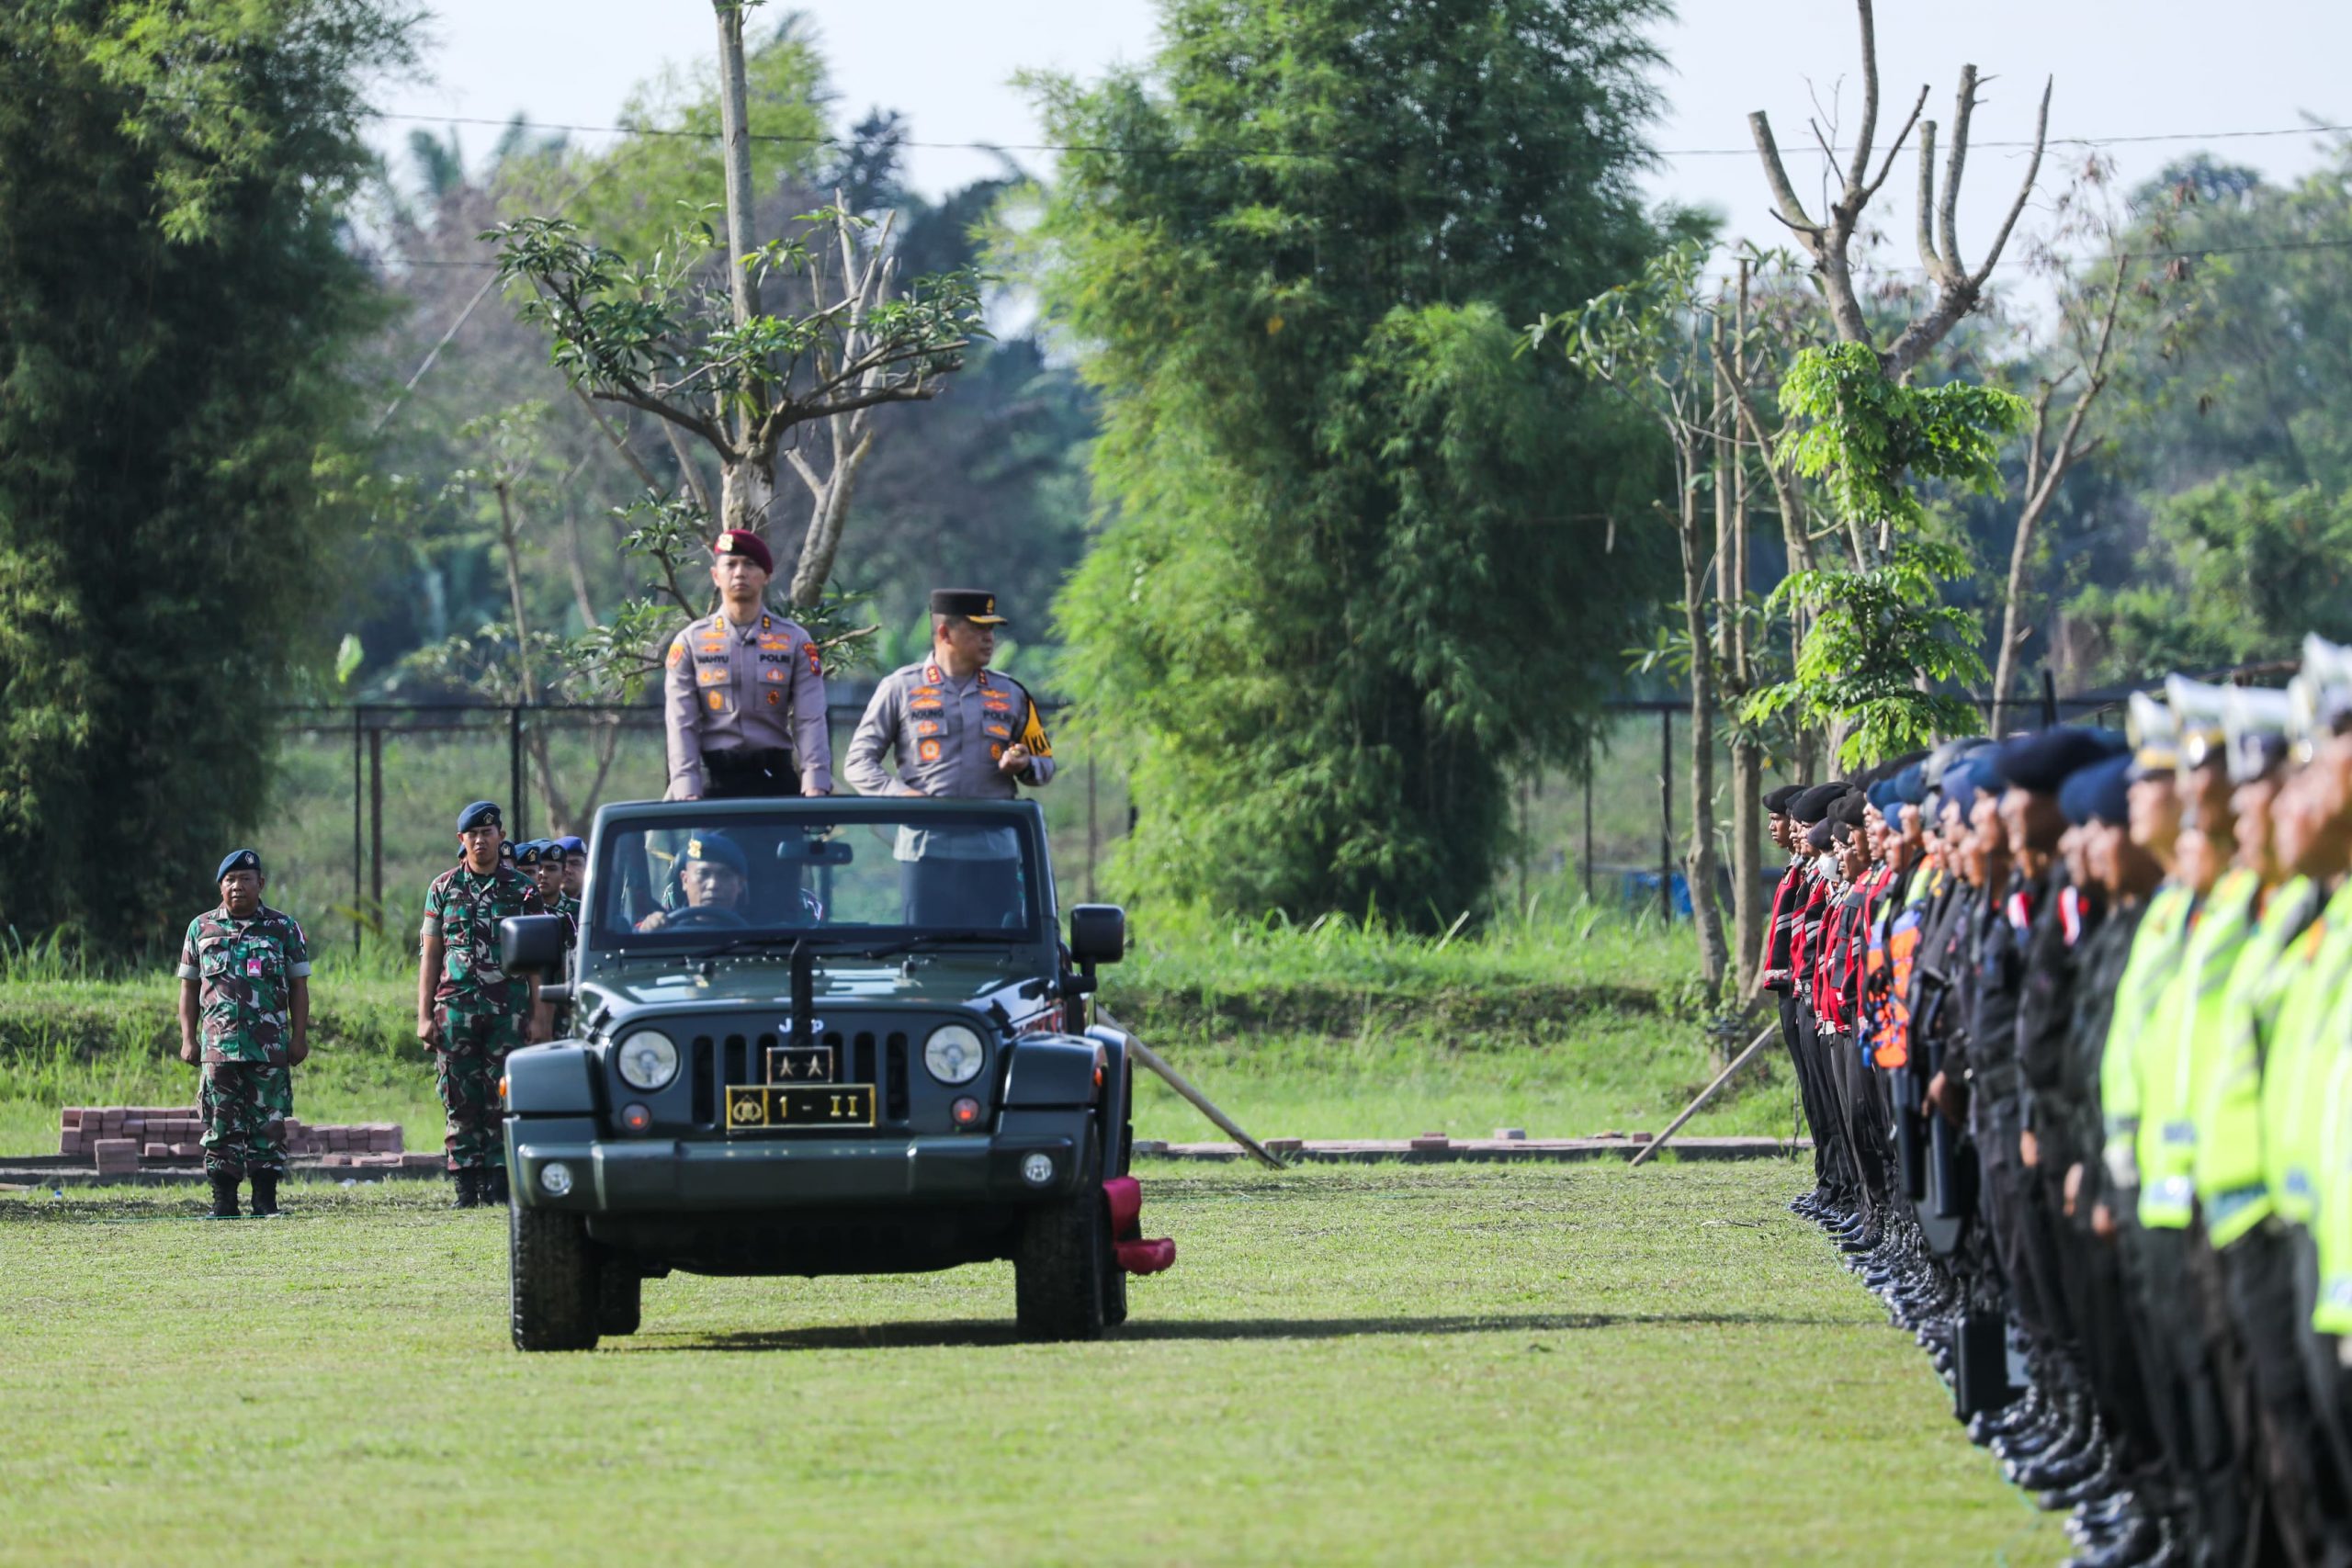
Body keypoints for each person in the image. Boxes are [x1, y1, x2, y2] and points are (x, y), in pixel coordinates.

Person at [845, 588, 1057, 927]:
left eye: (992, 630)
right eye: (978, 629)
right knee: (924, 951)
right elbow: (858, 763)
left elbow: (1046, 762)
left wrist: (1025, 764)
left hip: (994, 853)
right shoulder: (900, 688)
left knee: (996, 951)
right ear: (945, 633)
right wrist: (900, 796)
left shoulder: (1013, 693)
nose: (990, 638)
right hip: (926, 851)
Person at [417, 800, 548, 1209]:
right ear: (461, 839)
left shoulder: (523, 890)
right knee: (459, 1097)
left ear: (500, 837)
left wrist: (541, 1016)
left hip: (508, 1013)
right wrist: (423, 1016)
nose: (480, 841)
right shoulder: (442, 888)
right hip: (454, 1011)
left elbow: (538, 961)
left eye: (487, 833)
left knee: (504, 1097)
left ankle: (499, 1183)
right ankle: (465, 1185)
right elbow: (431, 956)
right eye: (472, 834)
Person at [176, 850, 311, 1221]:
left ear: (260, 884)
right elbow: (188, 988)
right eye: (230, 880)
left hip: (268, 1049)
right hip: (219, 1049)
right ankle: (224, 1203)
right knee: (220, 1127)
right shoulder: (201, 928)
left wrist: (299, 1037)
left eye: (246, 879)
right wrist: (189, 1038)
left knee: (269, 1125)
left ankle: (265, 1202)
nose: (238, 886)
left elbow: (299, 986)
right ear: (220, 886)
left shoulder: (283, 928)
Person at [662, 529, 832, 801]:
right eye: (730, 564)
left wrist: (815, 783)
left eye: (750, 564)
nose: (740, 572)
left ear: (766, 576)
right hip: (711, 782)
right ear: (715, 576)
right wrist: (686, 788)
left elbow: (810, 719)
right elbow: (681, 721)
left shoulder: (794, 640)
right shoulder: (691, 642)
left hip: (773, 779)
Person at [635, 833, 751, 931]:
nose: (713, 885)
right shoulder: (662, 930)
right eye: (703, 874)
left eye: (725, 875)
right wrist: (647, 931)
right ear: (685, 880)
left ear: (740, 884)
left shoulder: (755, 934)